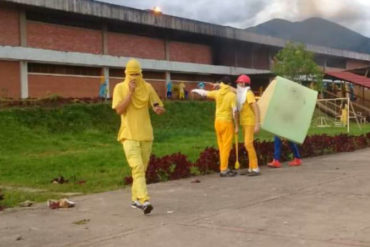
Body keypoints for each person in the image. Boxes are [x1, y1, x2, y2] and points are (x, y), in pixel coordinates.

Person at [112, 58, 165, 215]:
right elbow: (119, 110)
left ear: (141, 73)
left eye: (137, 74)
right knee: (137, 167)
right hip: (128, 135)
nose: (134, 77)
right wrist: (130, 93)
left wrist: (158, 109)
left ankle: (135, 199)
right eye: (131, 74)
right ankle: (145, 200)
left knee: (141, 170)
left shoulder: (147, 87)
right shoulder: (120, 88)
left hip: (146, 134)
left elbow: (157, 105)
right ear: (126, 74)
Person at [192, 76, 238, 177]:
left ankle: (223, 167)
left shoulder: (217, 93)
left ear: (221, 84)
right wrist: (237, 126)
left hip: (217, 122)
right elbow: (235, 111)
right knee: (226, 147)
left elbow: (204, 93)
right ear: (229, 84)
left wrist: (195, 90)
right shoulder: (231, 95)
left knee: (221, 147)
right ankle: (224, 169)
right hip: (227, 122)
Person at [235, 74, 261, 176]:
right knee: (248, 145)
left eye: (239, 83)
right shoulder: (241, 94)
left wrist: (257, 124)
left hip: (250, 122)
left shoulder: (248, 93)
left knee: (248, 144)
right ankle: (251, 168)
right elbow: (232, 89)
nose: (237, 85)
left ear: (244, 83)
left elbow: (256, 108)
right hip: (244, 122)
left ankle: (255, 168)